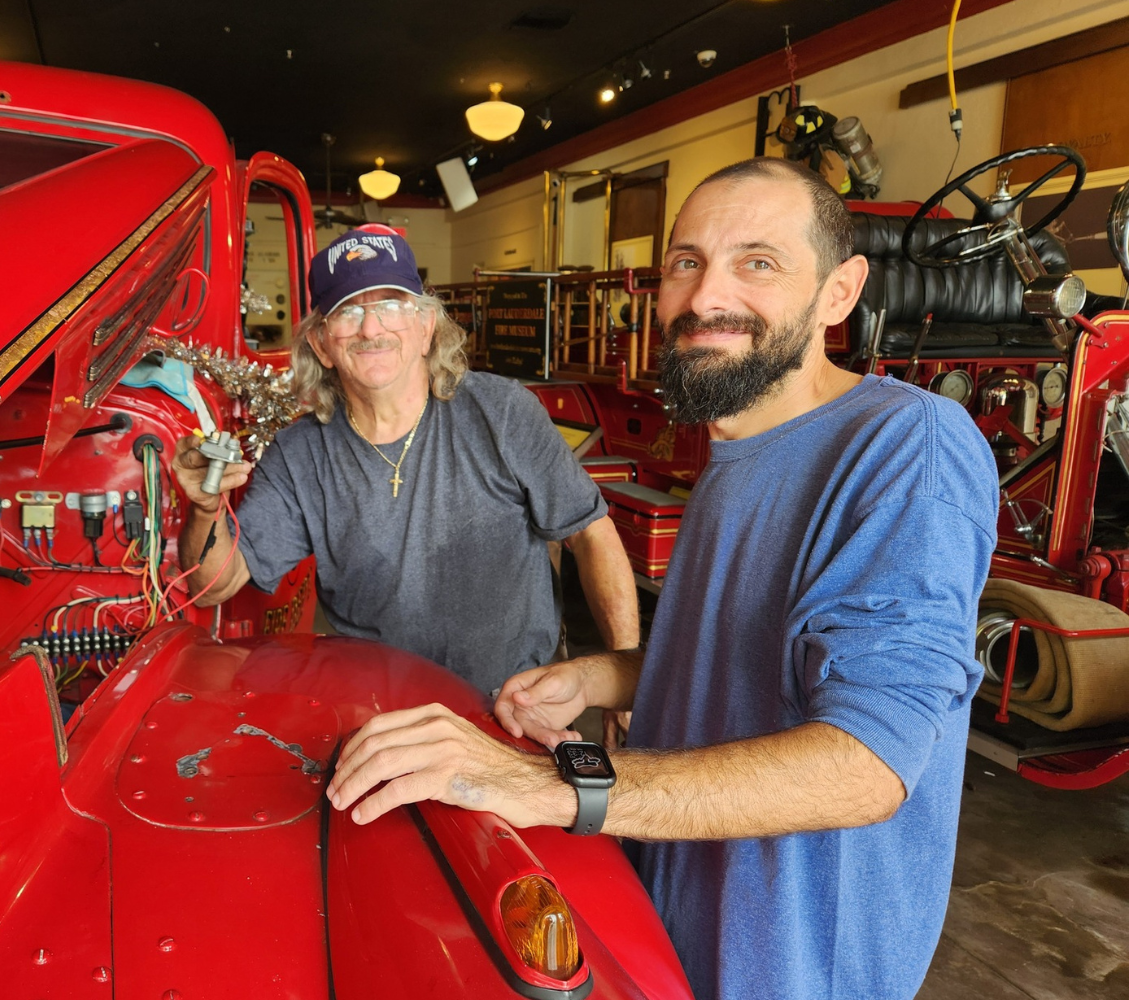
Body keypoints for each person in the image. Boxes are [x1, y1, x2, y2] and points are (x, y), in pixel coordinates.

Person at [325, 160, 998, 1000]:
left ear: (839, 291)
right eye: (686, 262)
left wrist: (555, 785)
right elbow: (750, 659)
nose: (706, 296)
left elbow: (867, 761)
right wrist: (594, 677)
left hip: (789, 965)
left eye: (758, 262)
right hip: (674, 918)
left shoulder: (904, 448)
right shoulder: (736, 447)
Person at [171, 224, 639, 697]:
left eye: (391, 306)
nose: (371, 328)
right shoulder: (300, 455)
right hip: (379, 713)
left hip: (515, 705)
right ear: (321, 345)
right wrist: (206, 509)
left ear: (425, 328)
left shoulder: (501, 412)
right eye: (348, 311)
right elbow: (215, 586)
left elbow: (590, 532)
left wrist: (624, 679)